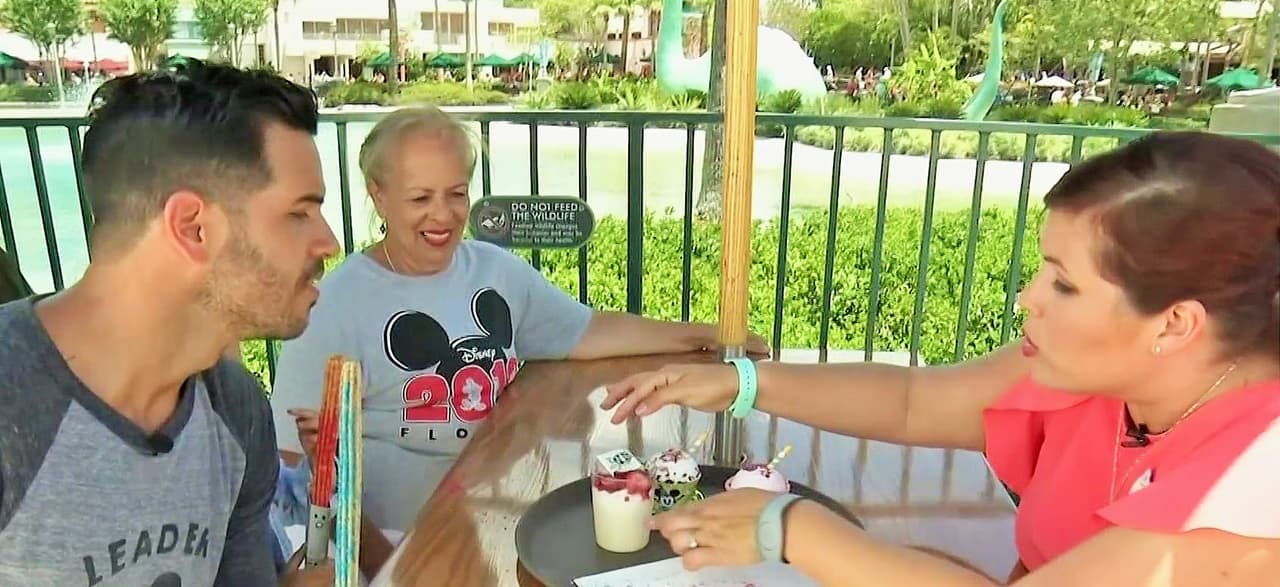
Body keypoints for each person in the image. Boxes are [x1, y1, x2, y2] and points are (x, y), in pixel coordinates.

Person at [602, 131, 1280, 585]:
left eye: (1064, 284)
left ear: (1175, 324)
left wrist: (791, 526)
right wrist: (738, 382)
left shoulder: (1251, 491)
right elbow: (914, 401)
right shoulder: (1100, 371)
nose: (1028, 298)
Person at [269, 105, 768, 573]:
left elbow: (586, 329)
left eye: (457, 193)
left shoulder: (495, 271)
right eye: (420, 198)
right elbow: (293, 468)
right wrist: (387, 563)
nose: (442, 215)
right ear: (378, 195)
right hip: (390, 538)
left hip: (491, 516)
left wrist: (706, 337)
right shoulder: (335, 305)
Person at [0, 62, 337, 585]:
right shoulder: (12, 403)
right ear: (193, 227)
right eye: (299, 214)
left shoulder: (235, 410)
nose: (329, 242)